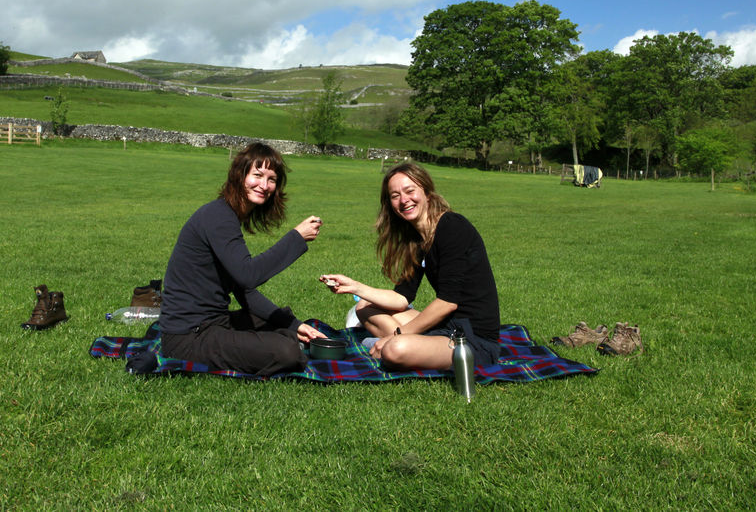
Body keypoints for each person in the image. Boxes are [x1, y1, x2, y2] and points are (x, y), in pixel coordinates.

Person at [158, 142, 326, 376]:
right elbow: (248, 275)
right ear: (240, 175)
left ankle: (281, 336)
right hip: (189, 335)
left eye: (272, 179)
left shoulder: (227, 216)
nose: (264, 185)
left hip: (214, 322)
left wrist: (294, 325)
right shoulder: (218, 216)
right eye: (257, 175)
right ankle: (279, 343)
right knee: (287, 351)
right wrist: (296, 238)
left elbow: (243, 290)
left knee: (281, 321)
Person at [320, 162, 501, 370]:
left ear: (426, 192)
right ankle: (400, 345)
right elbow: (402, 298)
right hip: (445, 327)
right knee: (363, 307)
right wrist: (354, 286)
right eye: (395, 196)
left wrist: (397, 336)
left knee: (395, 348)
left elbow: (447, 303)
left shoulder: (452, 226)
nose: (404, 200)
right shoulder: (417, 240)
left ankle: (391, 347)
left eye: (409, 191)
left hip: (472, 339)